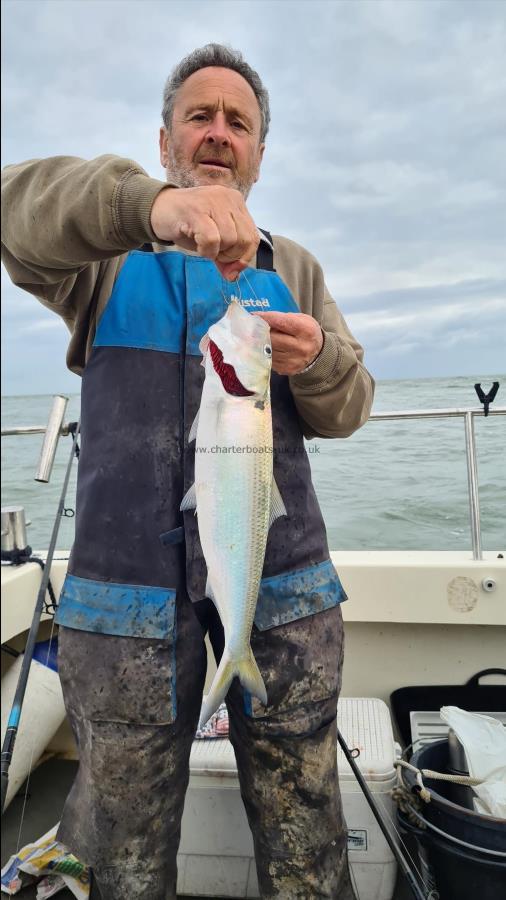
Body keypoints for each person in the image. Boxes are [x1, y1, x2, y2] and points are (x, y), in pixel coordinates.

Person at [2, 43, 374, 900]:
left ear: (259, 153)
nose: (217, 134)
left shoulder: (297, 271)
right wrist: (153, 208)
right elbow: (12, 209)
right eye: (197, 117)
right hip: (125, 607)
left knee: (308, 846)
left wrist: (317, 360)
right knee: (120, 858)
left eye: (236, 122)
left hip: (281, 598)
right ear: (165, 141)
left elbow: (349, 407)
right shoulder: (99, 261)